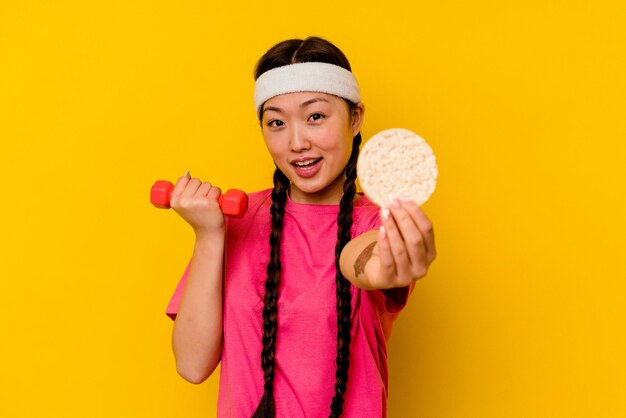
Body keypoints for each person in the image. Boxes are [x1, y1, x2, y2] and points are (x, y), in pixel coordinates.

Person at [165, 36, 437, 418]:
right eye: (276, 122)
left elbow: (362, 258)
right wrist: (209, 235)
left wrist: (382, 264)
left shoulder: (377, 222)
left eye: (315, 117)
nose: (296, 142)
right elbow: (192, 365)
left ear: (355, 118)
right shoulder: (238, 218)